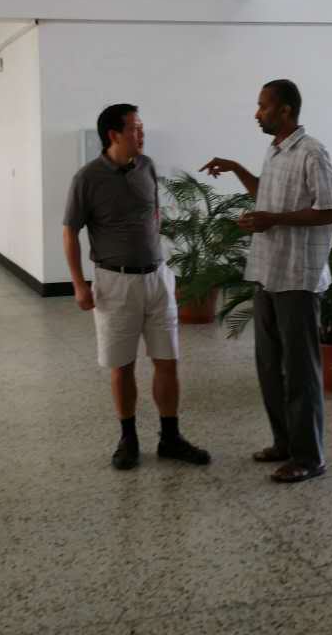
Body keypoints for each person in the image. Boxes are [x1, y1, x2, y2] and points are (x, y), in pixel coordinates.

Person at [202, 79, 332, 484]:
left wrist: (274, 219)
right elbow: (268, 196)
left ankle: (309, 457)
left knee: (299, 371)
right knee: (269, 366)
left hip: (298, 277)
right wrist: (237, 170)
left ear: (285, 110)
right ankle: (284, 444)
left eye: (263, 106)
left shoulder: (312, 152)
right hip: (268, 272)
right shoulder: (276, 150)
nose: (256, 113)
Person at [63, 103, 210, 472]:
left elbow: (154, 215)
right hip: (115, 282)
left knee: (167, 360)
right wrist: (79, 284)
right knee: (122, 365)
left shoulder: (146, 166)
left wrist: (160, 265)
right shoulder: (87, 178)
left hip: (157, 278)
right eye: (135, 128)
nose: (141, 134)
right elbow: (69, 232)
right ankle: (128, 439)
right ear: (114, 134)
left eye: (141, 128)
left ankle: (170, 437)